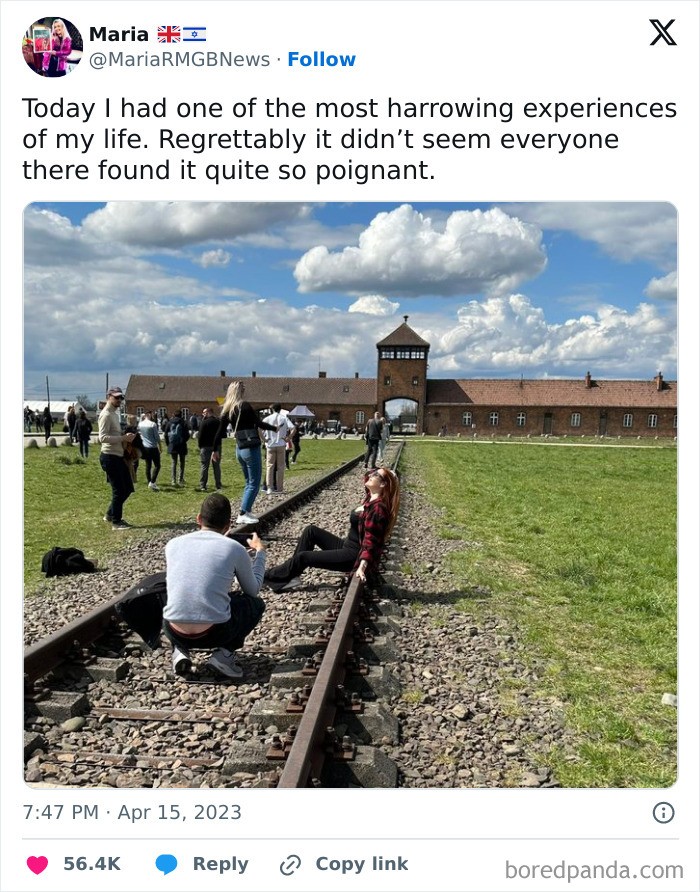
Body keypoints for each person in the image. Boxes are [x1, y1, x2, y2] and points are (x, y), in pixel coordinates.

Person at [163, 493, 266, 679]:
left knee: (179, 594)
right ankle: (223, 656)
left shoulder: (172, 544)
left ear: (198, 519)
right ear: (227, 526)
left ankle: (179, 651)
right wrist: (260, 552)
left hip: (173, 629)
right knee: (255, 604)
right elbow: (253, 590)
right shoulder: (234, 548)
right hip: (216, 632)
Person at [264, 467, 400, 592]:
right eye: (373, 472)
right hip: (346, 545)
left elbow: (371, 542)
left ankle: (265, 576)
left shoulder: (378, 509)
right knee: (310, 531)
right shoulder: (370, 498)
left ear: (383, 484)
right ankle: (292, 576)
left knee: (303, 557)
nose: (371, 475)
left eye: (376, 475)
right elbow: (367, 476)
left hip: (353, 556)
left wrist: (362, 567)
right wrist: (385, 474)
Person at [212, 382, 278, 525]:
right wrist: (274, 428)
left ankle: (246, 511)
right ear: (239, 391)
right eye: (243, 388)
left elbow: (219, 432)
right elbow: (259, 423)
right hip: (251, 448)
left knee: (249, 482)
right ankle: (243, 512)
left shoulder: (227, 409)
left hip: (239, 449)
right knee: (254, 482)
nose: (245, 390)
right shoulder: (245, 406)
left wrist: (214, 450)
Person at [98, 386, 136, 530]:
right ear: (109, 397)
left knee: (127, 488)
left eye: (121, 397)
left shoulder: (114, 414)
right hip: (109, 456)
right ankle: (116, 522)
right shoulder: (106, 414)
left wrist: (126, 436)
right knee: (119, 490)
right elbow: (102, 438)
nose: (119, 400)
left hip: (117, 456)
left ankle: (110, 514)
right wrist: (122, 438)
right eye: (116, 397)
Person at [262, 404, 293, 495]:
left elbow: (259, 429)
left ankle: (269, 488)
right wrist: (288, 438)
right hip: (281, 444)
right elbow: (293, 428)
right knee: (280, 467)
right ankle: (279, 488)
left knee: (269, 466)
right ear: (280, 410)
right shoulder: (284, 418)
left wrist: (264, 439)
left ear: (272, 409)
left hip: (270, 445)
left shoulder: (267, 419)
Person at [196, 406, 222, 492]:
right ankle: (218, 485)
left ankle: (203, 485)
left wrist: (200, 446)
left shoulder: (204, 422)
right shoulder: (218, 422)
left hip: (205, 446)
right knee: (216, 466)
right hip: (216, 446)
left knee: (204, 466)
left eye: (204, 413)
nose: (203, 414)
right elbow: (221, 435)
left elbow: (200, 436)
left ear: (207, 413)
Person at [137, 410, 162, 491]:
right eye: (151, 414)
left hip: (145, 447)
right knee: (157, 465)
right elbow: (157, 437)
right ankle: (152, 482)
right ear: (149, 415)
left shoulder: (140, 424)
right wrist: (160, 446)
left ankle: (149, 482)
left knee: (148, 466)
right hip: (153, 447)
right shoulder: (152, 424)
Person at [165, 410, 190, 486]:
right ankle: (180, 479)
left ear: (174, 415)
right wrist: (183, 441)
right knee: (182, 462)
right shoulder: (183, 423)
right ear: (181, 415)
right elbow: (187, 435)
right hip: (182, 444)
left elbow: (166, 434)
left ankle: (173, 480)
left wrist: (168, 443)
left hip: (172, 444)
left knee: (174, 462)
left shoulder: (169, 422)